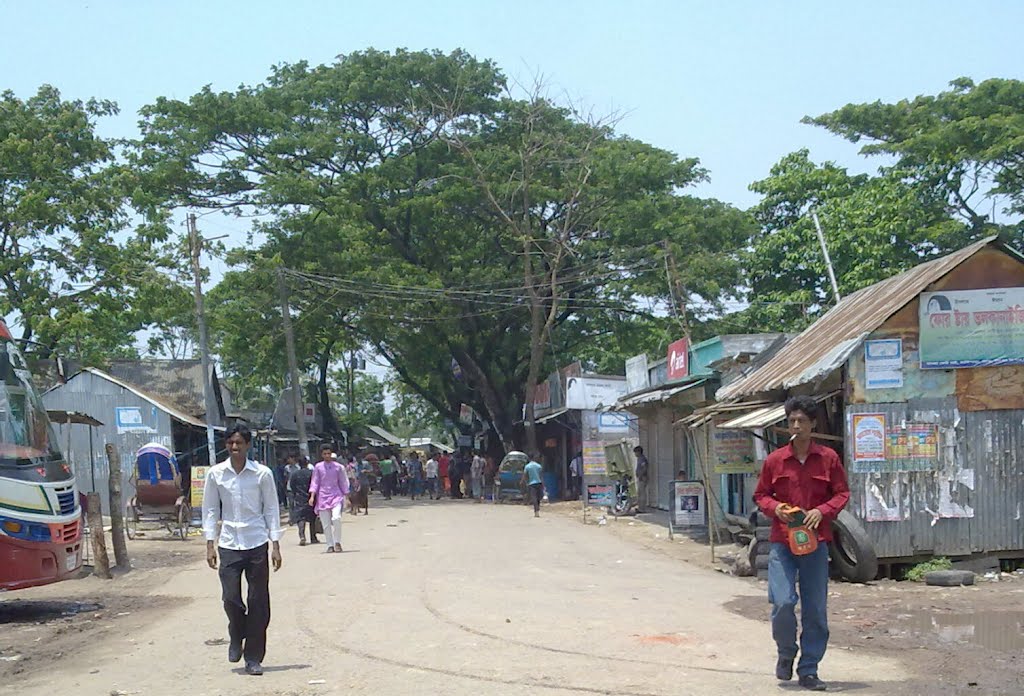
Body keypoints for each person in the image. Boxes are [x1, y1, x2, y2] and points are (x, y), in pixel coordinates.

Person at [753, 395, 850, 692]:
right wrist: (775, 508)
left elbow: (842, 493)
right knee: (782, 603)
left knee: (815, 609)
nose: (796, 426)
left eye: (802, 421)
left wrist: (822, 511)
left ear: (813, 424)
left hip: (816, 544)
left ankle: (809, 669)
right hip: (783, 542)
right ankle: (785, 652)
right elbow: (760, 496)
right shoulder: (775, 460)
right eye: (792, 420)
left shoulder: (829, 459)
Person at [202, 424, 282, 677]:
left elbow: (271, 508)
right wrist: (209, 543)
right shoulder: (216, 474)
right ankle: (236, 635)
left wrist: (276, 545)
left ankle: (253, 657)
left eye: (239, 443)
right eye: (230, 443)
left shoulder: (262, 474)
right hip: (228, 544)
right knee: (231, 598)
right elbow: (211, 509)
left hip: (257, 541)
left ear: (248, 445)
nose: (234, 447)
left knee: (258, 602)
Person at [309, 443, 349, 553]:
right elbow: (315, 482)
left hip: (336, 495)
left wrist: (347, 497)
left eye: (329, 453)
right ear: (322, 455)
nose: (327, 456)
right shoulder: (318, 467)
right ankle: (330, 545)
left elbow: (343, 482)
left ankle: (337, 542)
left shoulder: (338, 467)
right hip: (322, 497)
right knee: (326, 524)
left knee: (336, 518)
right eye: (325, 454)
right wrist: (312, 496)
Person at [288, 456, 318, 545]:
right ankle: (313, 537)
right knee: (312, 518)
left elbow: (292, 486)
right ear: (307, 463)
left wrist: (295, 494)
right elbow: (315, 485)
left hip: (299, 498)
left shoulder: (295, 474)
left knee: (301, 518)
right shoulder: (312, 473)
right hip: (310, 498)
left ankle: (302, 536)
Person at [522, 453, 544, 518]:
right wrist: (543, 484)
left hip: (532, 484)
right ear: (534, 458)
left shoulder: (527, 466)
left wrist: (523, 482)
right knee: (539, 497)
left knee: (534, 497)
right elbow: (541, 476)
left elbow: (525, 475)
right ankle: (537, 509)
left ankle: (536, 510)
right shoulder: (538, 466)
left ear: (529, 458)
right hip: (539, 483)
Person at [633, 446, 649, 512]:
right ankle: (640, 507)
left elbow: (645, 468)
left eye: (636, 452)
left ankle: (642, 509)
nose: (635, 454)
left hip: (642, 478)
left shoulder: (642, 459)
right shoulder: (639, 459)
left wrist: (640, 475)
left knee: (642, 493)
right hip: (640, 478)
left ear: (639, 452)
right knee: (639, 493)